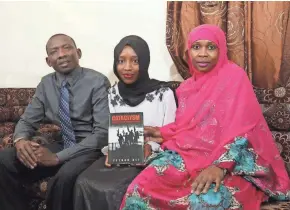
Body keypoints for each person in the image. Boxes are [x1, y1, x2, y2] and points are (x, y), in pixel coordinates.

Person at [119, 25, 290, 210]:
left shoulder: (234, 78)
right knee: (138, 189)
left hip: (230, 162)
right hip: (187, 154)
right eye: (196, 47)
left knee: (206, 201)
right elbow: (188, 127)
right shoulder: (186, 89)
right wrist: (159, 132)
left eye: (211, 47)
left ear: (221, 50)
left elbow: (245, 130)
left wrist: (220, 166)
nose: (202, 54)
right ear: (188, 51)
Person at [0, 34, 110, 210]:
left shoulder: (97, 81)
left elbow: (102, 134)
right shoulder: (46, 84)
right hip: (63, 143)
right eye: (54, 51)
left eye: (67, 48)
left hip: (88, 148)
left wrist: (57, 158)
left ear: (78, 52)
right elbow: (27, 120)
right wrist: (20, 141)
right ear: (48, 60)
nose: (61, 54)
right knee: (4, 159)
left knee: (65, 177)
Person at [74, 35, 177, 210]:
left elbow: (172, 133)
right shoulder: (113, 93)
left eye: (135, 61)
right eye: (121, 61)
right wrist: (111, 151)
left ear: (144, 62)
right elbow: (110, 131)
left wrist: (149, 147)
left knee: (119, 188)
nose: (127, 68)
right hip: (119, 156)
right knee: (84, 182)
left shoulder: (163, 93)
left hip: (151, 158)